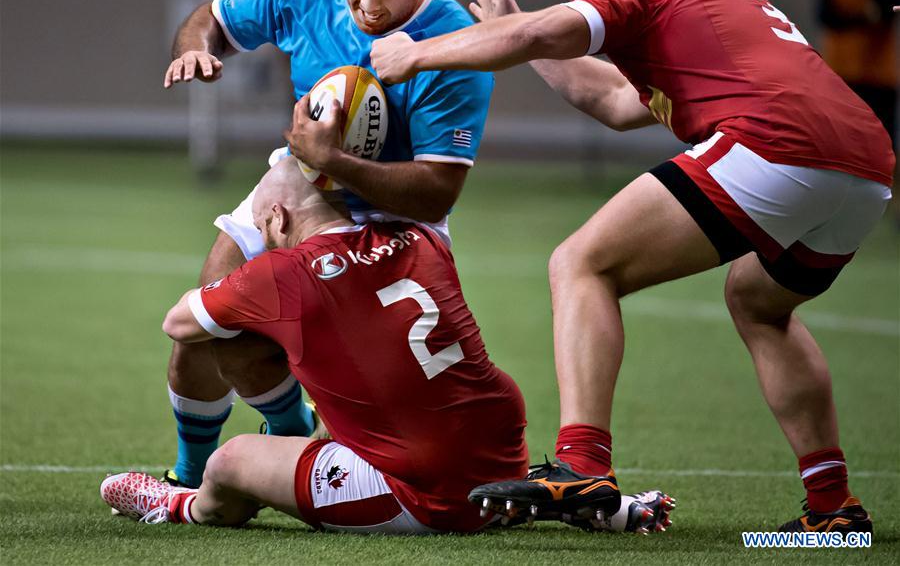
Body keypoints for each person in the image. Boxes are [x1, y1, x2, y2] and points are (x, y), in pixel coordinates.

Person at [371, 0, 894, 534]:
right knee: (759, 303)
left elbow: (542, 32)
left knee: (582, 264)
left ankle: (582, 464)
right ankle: (834, 508)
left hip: (775, 144)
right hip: (868, 167)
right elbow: (614, 100)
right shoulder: (733, 3)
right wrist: (513, 24)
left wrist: (417, 53)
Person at [100, 159, 671, 534]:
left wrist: (244, 277)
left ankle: (176, 504)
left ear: (277, 216)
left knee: (231, 462)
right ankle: (573, 503)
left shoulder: (281, 272)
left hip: (415, 486)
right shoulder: (418, 236)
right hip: (500, 449)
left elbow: (179, 323)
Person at [159, 0, 493, 489]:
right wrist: (195, 51)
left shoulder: (455, 45)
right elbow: (210, 17)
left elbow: (436, 192)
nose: (368, 6)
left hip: (394, 218)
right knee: (208, 324)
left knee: (362, 378)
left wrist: (333, 159)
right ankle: (194, 474)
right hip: (300, 180)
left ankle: (290, 437)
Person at [818, 0, 897, 158]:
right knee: (844, 140)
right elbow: (826, 17)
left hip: (879, 72)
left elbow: (888, 14)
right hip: (843, 71)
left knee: (883, 142)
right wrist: (866, 18)